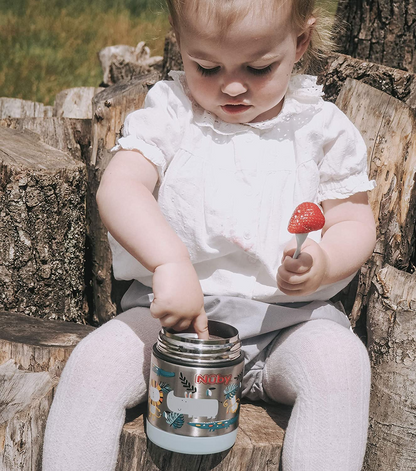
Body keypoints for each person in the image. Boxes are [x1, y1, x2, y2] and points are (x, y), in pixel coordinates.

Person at [42, 0, 376, 470]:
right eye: (207, 66)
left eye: (259, 68)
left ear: (299, 43)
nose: (232, 85)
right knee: (94, 365)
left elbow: (355, 224)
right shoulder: (172, 111)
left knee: (340, 364)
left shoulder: (320, 128)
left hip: (288, 325)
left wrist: (323, 262)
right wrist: (170, 263)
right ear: (180, 45)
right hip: (173, 323)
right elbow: (121, 186)